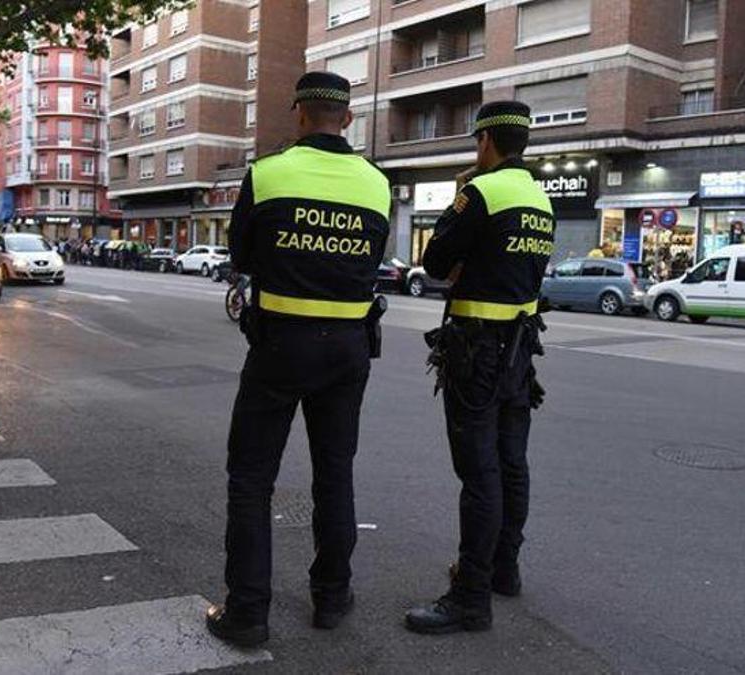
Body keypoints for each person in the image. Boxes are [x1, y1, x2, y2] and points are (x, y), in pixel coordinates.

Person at [206, 71, 390, 647]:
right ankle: (332, 598)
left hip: (280, 347)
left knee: (252, 478)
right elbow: (373, 258)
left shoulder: (268, 174)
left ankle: (247, 614)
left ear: (300, 114)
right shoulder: (377, 183)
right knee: (335, 473)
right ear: (349, 119)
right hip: (348, 349)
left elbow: (240, 254)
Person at [404, 101, 554, 635]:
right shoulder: (540, 198)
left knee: (480, 473)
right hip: (520, 352)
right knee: (512, 464)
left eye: (475, 142)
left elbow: (436, 262)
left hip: (479, 353)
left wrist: (459, 205)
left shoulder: (482, 192)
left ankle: (470, 598)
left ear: (486, 141)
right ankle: (502, 570)